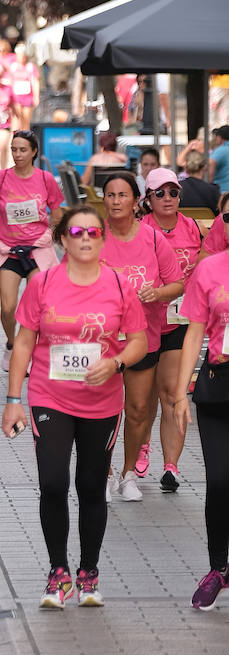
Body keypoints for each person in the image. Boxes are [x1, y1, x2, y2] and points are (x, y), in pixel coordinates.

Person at [2, 205, 147, 608]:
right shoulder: (44, 283)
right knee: (52, 482)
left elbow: (139, 341)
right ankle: (57, 572)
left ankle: (88, 570)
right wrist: (13, 399)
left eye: (93, 232)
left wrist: (115, 362)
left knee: (90, 486)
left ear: (103, 239)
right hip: (50, 395)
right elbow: (24, 343)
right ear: (63, 239)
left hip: (101, 402)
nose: (85, 238)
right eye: (77, 232)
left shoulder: (119, 286)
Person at [100, 172, 182, 502]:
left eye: (123, 195)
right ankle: (103, 473)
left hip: (142, 338)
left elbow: (178, 284)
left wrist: (157, 292)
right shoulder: (93, 234)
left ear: (137, 201)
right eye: (110, 195)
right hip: (101, 339)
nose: (116, 201)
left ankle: (128, 474)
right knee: (103, 411)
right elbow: (70, 275)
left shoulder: (152, 239)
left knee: (136, 410)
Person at [137, 167, 203, 491]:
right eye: (159, 193)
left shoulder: (194, 228)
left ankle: (171, 467)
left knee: (171, 392)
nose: (167, 198)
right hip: (144, 323)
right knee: (144, 397)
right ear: (147, 198)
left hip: (181, 320)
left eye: (173, 192)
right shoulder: (140, 229)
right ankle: (142, 444)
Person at [174, 239, 229, 609]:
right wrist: (179, 393)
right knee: (220, 480)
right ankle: (217, 568)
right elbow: (194, 332)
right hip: (219, 386)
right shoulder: (210, 269)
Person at [0, 130, 63, 370]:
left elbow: (57, 213)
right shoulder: (1, 178)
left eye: (23, 150)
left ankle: (32, 350)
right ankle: (11, 343)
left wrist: (49, 233)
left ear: (34, 152)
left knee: (38, 306)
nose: (17, 155)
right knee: (8, 307)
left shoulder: (46, 179)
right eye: (14, 150)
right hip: (8, 249)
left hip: (37, 250)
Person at [208, 126, 229, 190]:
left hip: (222, 191)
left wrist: (208, 184)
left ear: (219, 137)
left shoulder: (221, 150)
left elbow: (211, 162)